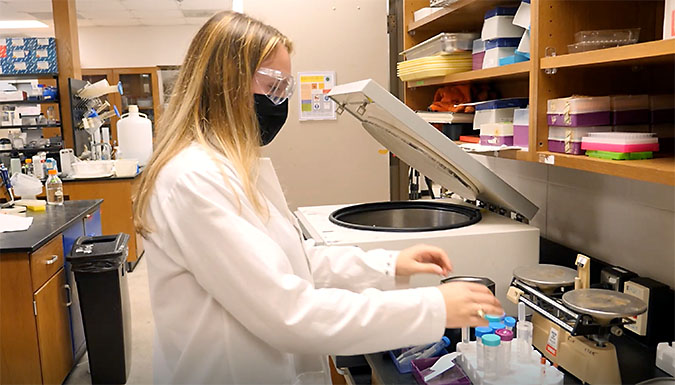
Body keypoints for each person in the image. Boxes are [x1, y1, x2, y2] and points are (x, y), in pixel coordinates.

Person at [133, 11, 503, 385]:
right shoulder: (194, 178)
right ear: (226, 81)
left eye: (286, 89)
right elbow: (287, 313)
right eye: (274, 86)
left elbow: (293, 259)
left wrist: (389, 266)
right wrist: (432, 308)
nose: (280, 101)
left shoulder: (229, 166)